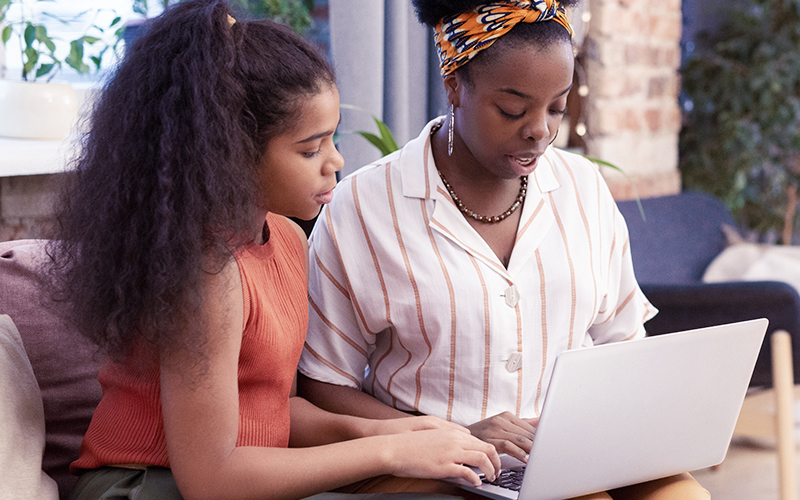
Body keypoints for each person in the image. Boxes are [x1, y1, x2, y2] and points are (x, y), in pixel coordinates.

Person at [45, 2, 501, 499]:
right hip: (147, 485)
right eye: (310, 149)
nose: (335, 162)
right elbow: (210, 478)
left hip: (237, 478)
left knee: (436, 485)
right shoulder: (207, 271)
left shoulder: (285, 238)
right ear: (231, 153)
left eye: (333, 139)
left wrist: (393, 432)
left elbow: (275, 410)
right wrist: (387, 453)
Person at [296, 1, 710, 499]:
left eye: (556, 106)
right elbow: (325, 384)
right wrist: (451, 437)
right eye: (513, 109)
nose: (540, 130)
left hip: (574, 453)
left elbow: (623, 343)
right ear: (455, 84)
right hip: (431, 467)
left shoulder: (584, 190)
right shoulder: (364, 208)